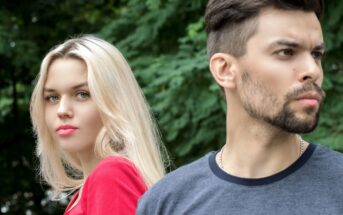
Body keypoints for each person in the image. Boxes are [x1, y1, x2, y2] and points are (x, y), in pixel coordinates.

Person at [137, 0, 343, 214]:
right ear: (225, 70)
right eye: (286, 52)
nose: (313, 70)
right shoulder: (166, 203)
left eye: (316, 54)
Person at [30, 35, 166, 214]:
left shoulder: (111, 175)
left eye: (82, 94)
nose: (62, 110)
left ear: (115, 102)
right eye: (52, 98)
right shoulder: (89, 190)